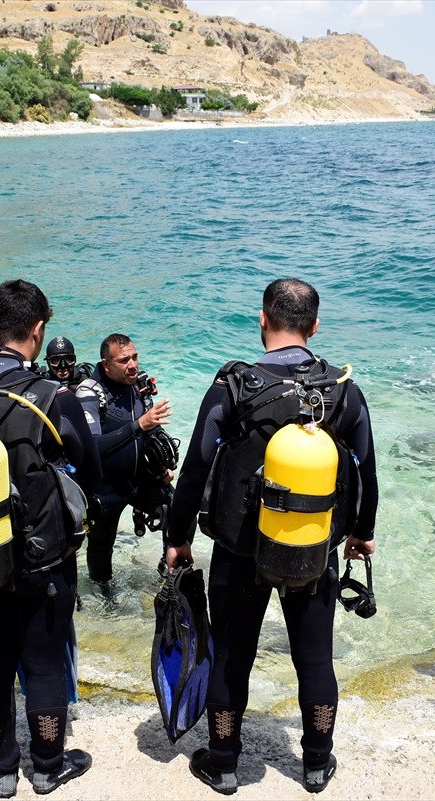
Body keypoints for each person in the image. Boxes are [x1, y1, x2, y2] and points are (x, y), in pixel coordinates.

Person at [165, 278, 379, 795]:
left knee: (233, 653)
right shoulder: (343, 390)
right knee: (314, 658)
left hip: (240, 551)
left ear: (263, 320)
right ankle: (315, 763)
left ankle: (224, 763)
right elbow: (367, 471)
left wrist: (178, 537)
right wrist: (361, 534)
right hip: (314, 548)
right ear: (315, 326)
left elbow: (194, 471)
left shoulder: (232, 387)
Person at [0, 280, 101, 798]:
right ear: (39, 330)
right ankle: (48, 765)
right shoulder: (54, 397)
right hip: (41, 560)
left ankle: (2, 767)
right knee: (44, 663)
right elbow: (90, 474)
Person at [86, 333, 175, 586]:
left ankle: (168, 572)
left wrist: (162, 466)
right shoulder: (90, 392)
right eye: (124, 360)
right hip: (105, 486)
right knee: (102, 550)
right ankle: (103, 597)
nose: (133, 365)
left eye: (135, 357)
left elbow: (152, 431)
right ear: (106, 364)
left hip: (139, 479)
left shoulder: (138, 385)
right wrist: (138, 425)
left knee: (177, 509)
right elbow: (92, 446)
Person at [41, 336, 106, 437]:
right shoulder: (43, 384)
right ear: (48, 362)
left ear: (74, 360)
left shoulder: (86, 381)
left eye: (68, 359)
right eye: (55, 360)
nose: (62, 366)